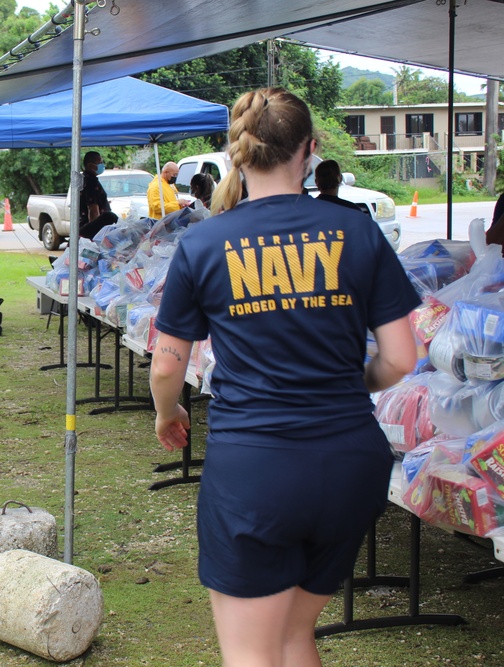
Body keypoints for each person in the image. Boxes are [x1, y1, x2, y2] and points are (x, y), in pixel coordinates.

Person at [149, 87, 418, 667]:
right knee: (294, 636)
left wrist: (166, 413)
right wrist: (348, 384)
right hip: (350, 466)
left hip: (257, 472)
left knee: (251, 652)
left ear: (239, 153)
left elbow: (168, 363)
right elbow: (400, 359)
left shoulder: (203, 243)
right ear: (312, 150)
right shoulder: (360, 231)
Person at [78, 151, 119, 241]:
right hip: (88, 230)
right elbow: (93, 210)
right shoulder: (91, 182)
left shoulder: (83, 179)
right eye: (99, 162)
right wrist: (96, 234)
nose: (102, 165)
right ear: (90, 165)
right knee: (110, 217)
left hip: (82, 227)